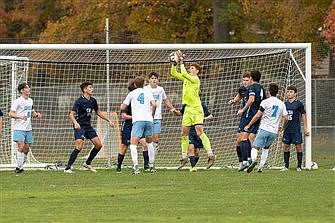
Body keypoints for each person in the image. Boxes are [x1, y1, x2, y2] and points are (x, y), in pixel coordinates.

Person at [170, 50, 215, 169]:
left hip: (196, 109)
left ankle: (210, 154)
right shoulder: (186, 78)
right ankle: (184, 157)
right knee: (184, 133)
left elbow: (184, 73)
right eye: (190, 68)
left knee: (199, 131)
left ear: (197, 71)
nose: (190, 69)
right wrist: (174, 64)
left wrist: (181, 61)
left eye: (193, 68)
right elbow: (174, 73)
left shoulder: (195, 80)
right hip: (188, 109)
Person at [64, 81, 115, 173]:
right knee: (79, 146)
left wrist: (108, 120)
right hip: (80, 126)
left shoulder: (93, 101)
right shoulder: (79, 101)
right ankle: (68, 168)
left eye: (92, 87)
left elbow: (98, 112)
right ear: (85, 89)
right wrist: (75, 123)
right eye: (90, 87)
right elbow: (71, 114)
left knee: (98, 145)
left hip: (88, 126)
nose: (92, 89)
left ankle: (87, 163)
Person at [243, 83, 288, 173]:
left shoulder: (265, 102)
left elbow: (258, 115)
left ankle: (254, 161)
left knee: (255, 147)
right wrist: (282, 127)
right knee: (266, 148)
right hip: (274, 131)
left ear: (268, 92)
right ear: (277, 92)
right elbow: (286, 117)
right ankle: (260, 168)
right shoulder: (281, 103)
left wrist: (249, 125)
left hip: (264, 129)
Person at [120, 76, 157, 174]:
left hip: (138, 120)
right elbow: (154, 104)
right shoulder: (148, 92)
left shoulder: (132, 93)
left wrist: (128, 104)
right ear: (144, 83)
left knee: (133, 144)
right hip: (149, 120)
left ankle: (136, 166)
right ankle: (152, 166)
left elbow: (123, 106)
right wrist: (152, 114)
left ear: (135, 85)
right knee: (149, 143)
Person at [9, 82, 41, 174]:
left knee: (26, 148)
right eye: (27, 88)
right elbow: (11, 114)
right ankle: (19, 168)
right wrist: (20, 117)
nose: (29, 89)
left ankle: (20, 164)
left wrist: (36, 115)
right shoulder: (17, 101)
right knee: (21, 146)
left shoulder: (30, 101)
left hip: (28, 128)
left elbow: (32, 112)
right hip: (19, 128)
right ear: (22, 90)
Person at [117, 80, 149, 173]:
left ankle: (146, 166)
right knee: (124, 146)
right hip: (128, 125)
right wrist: (135, 117)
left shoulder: (141, 101)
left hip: (138, 124)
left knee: (144, 144)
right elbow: (123, 116)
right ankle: (118, 165)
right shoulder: (129, 100)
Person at [237, 70, 266, 171]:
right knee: (248, 138)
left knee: (243, 138)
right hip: (258, 116)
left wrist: (242, 110)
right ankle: (249, 160)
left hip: (249, 115)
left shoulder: (252, 87)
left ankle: (247, 161)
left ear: (251, 79)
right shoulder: (262, 88)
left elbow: (251, 99)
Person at [141, 72, 177, 153]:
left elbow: (165, 100)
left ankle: (154, 151)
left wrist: (173, 109)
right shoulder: (145, 89)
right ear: (149, 80)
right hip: (147, 116)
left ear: (158, 80)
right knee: (147, 138)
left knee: (156, 138)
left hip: (157, 116)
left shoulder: (160, 89)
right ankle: (148, 154)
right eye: (152, 78)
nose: (154, 80)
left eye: (155, 78)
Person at [174, 102, 214, 172]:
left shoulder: (201, 105)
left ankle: (208, 157)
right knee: (191, 148)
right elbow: (180, 113)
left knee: (197, 152)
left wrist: (203, 119)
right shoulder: (186, 105)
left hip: (198, 131)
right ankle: (193, 166)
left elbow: (211, 116)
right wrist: (173, 110)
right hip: (189, 131)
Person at [281, 85, 309, 171]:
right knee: (286, 146)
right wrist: (281, 128)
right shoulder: (284, 104)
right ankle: (286, 166)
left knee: (298, 147)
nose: (289, 93)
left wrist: (305, 128)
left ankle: (299, 166)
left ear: (295, 93)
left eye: (291, 92)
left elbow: (303, 115)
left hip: (296, 130)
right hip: (287, 130)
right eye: (288, 92)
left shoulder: (299, 104)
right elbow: (283, 117)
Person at [228, 73, 251, 169]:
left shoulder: (254, 89)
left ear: (251, 80)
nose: (245, 82)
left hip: (253, 117)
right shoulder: (242, 89)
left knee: (248, 138)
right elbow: (239, 95)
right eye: (244, 80)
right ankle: (241, 161)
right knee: (238, 139)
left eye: (247, 80)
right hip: (244, 117)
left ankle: (249, 159)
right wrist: (234, 100)